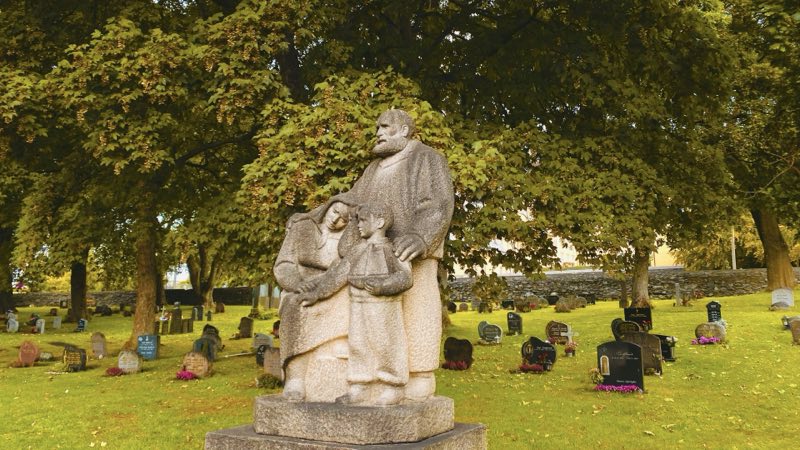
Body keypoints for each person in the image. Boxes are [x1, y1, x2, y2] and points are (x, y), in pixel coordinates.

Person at [325, 109, 454, 401]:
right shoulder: (374, 169)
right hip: (372, 255)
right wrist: (334, 210)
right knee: (368, 324)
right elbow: (354, 199)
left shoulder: (427, 158)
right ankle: (366, 379)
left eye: (385, 127)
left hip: (411, 253)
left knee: (417, 311)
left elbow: (439, 204)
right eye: (377, 128)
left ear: (405, 130)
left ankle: (419, 375)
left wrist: (422, 238)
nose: (378, 133)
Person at [287, 203, 413, 406]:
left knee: (386, 344)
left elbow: (405, 277)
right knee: (358, 344)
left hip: (384, 307)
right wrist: (317, 294)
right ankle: (360, 385)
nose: (358, 225)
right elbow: (339, 275)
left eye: (363, 220)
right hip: (358, 305)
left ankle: (393, 386)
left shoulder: (393, 250)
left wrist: (384, 286)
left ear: (379, 222)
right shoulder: (357, 251)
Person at [274, 201, 351, 402]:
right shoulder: (302, 227)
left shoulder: (349, 239)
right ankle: (296, 378)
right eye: (335, 212)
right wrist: (296, 284)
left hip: (333, 286)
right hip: (299, 287)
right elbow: (284, 264)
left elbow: (344, 269)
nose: (336, 219)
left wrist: (323, 287)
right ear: (327, 208)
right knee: (296, 305)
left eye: (344, 219)